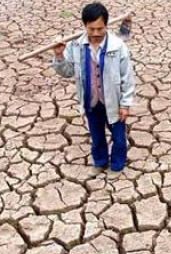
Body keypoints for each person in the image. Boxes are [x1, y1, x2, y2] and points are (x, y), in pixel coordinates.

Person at [52, 2, 135, 179]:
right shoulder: (76, 46)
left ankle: (117, 165)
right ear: (84, 25)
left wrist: (125, 104)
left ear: (106, 25)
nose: (96, 33)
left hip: (113, 102)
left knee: (118, 136)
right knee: (97, 135)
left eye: (100, 28)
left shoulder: (118, 46)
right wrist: (59, 55)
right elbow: (66, 71)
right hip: (91, 100)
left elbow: (127, 78)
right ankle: (100, 162)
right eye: (91, 29)